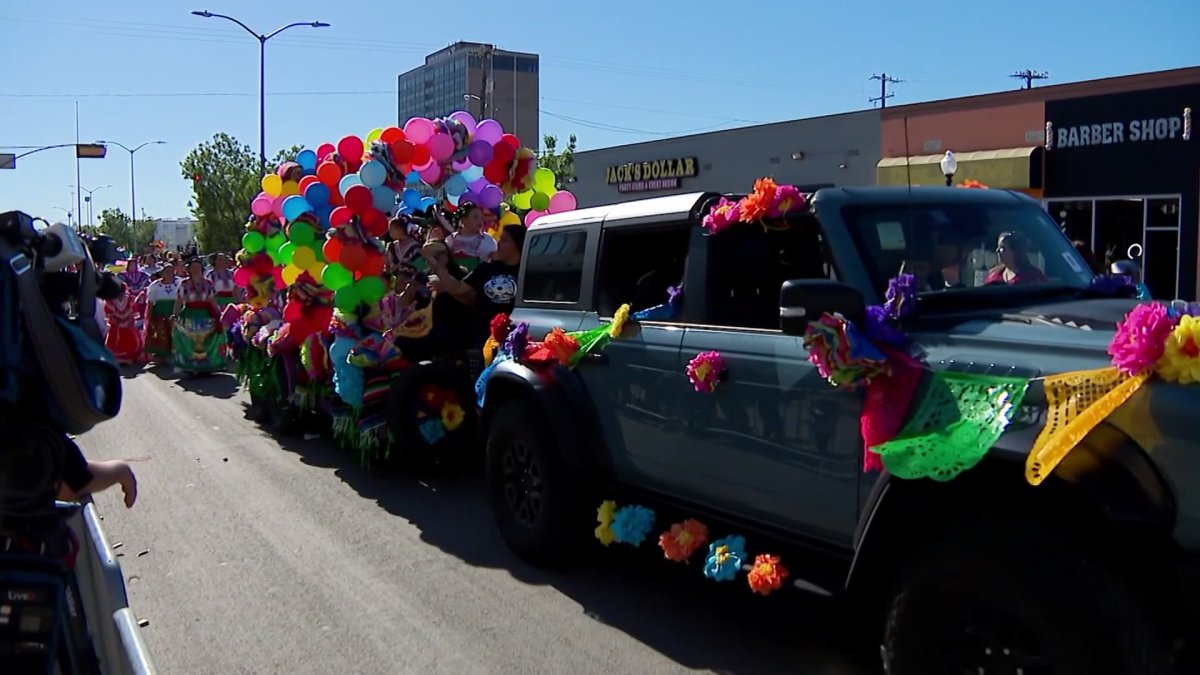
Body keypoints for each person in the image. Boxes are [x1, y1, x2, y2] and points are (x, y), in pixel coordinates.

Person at [435, 225, 525, 344]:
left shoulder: (527, 271)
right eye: (500, 239)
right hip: (484, 335)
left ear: (517, 244)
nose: (498, 243)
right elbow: (459, 288)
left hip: (514, 334)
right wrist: (440, 270)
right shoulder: (487, 268)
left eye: (505, 240)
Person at [172, 256, 227, 373]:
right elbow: (179, 300)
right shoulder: (184, 284)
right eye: (193, 267)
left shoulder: (208, 283)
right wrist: (175, 315)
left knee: (207, 339)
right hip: (189, 314)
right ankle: (191, 365)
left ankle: (208, 364)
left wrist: (218, 313)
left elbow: (212, 299)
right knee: (190, 340)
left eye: (198, 267)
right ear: (189, 269)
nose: (196, 269)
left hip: (206, 314)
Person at [142, 263, 180, 364]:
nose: (169, 273)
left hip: (174, 309)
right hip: (160, 311)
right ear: (162, 273)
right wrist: (149, 316)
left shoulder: (179, 283)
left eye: (171, 271)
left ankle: (174, 354)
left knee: (174, 332)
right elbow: (150, 302)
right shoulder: (155, 285)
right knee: (161, 333)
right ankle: (161, 355)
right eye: (166, 271)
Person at [446, 202, 498, 271]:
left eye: (481, 217)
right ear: (464, 221)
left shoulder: (487, 240)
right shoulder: (452, 239)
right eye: (475, 217)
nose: (480, 220)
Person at [103, 281, 144, 365]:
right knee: (114, 342)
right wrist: (118, 322)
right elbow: (109, 314)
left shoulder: (130, 299)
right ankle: (120, 359)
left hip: (129, 325)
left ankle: (128, 359)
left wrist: (127, 322)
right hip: (116, 326)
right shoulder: (109, 301)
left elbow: (134, 313)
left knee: (132, 341)